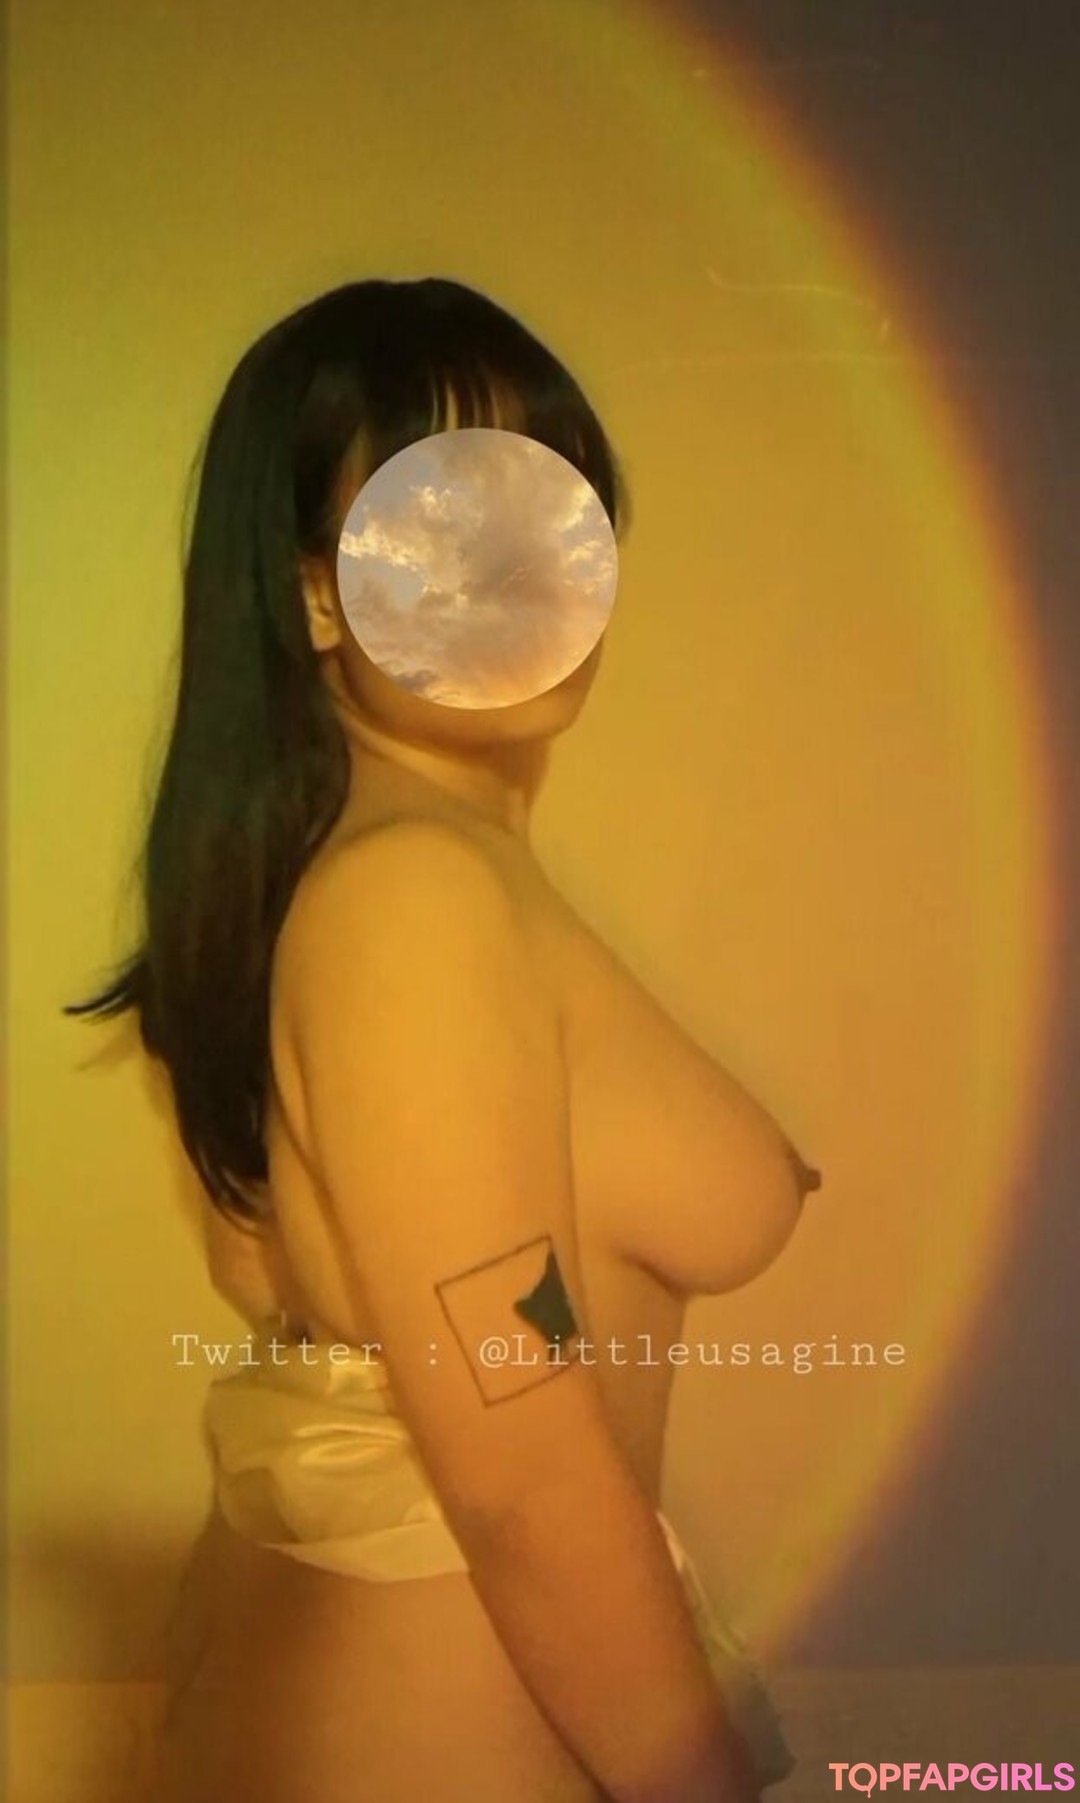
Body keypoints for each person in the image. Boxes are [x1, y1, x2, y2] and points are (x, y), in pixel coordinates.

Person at [67, 277, 821, 1802]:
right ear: (316, 595)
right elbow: (523, 1473)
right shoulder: (410, 902)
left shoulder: (394, 875)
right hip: (445, 1736)